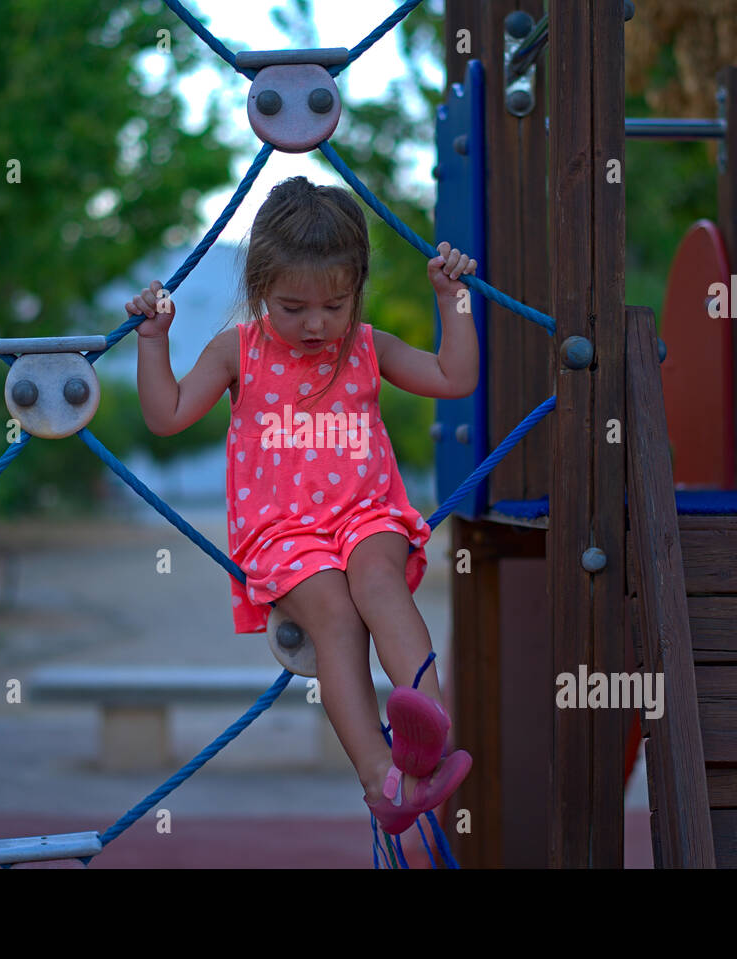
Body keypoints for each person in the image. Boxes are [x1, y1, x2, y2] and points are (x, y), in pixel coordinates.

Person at [128, 176, 476, 834]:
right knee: (337, 622)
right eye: (293, 307)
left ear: (357, 289)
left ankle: (427, 728)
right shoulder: (240, 351)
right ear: (260, 289)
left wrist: (453, 300)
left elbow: (453, 378)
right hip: (282, 534)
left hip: (367, 512)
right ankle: (383, 777)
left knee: (378, 582)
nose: (316, 323)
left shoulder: (366, 345)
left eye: (333, 304)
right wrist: (153, 342)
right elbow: (168, 414)